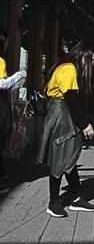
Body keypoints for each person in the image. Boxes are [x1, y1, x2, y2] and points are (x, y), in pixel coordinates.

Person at [37, 41, 94, 217]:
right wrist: (84, 124)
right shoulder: (69, 69)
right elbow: (71, 99)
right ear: (83, 55)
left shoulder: (68, 68)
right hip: (60, 114)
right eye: (92, 59)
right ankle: (53, 202)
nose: (92, 63)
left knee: (68, 155)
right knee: (60, 157)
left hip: (62, 113)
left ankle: (76, 198)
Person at [0, 29, 26, 195]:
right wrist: (19, 75)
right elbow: (1, 84)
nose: (9, 45)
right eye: (7, 41)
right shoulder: (0, 61)